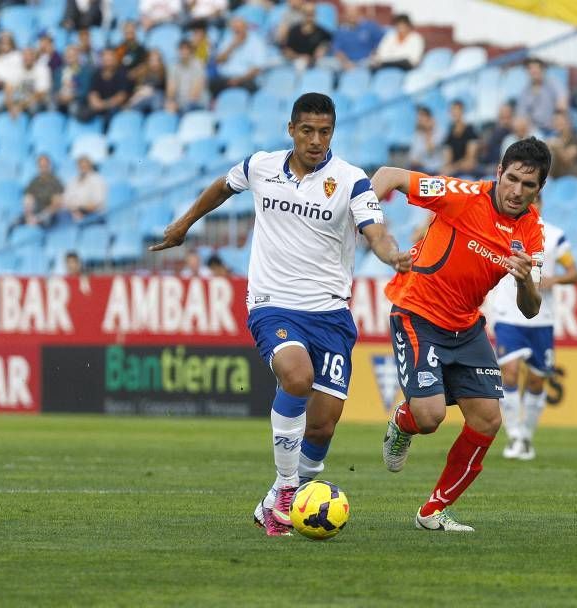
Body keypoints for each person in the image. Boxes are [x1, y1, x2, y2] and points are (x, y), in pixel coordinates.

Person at [149, 93, 412, 537]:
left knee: (323, 425)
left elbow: (375, 231)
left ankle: (275, 497)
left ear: (333, 132)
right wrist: (184, 224)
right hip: (272, 301)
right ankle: (289, 491)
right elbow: (222, 185)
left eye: (324, 132)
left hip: (330, 311)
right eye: (307, 130)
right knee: (296, 376)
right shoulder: (261, 166)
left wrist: (391, 255)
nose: (315, 140)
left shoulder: (351, 181)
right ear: (291, 129)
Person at [371, 137, 549, 531]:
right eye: (513, 179)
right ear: (499, 173)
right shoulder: (460, 194)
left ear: (540, 189)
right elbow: (390, 175)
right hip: (417, 312)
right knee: (430, 417)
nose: (517, 191)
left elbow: (531, 308)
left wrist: (524, 282)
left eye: (529, 185)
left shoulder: (532, 232)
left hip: (466, 327)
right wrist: (369, 225)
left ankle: (433, 512)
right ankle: (405, 421)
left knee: (488, 421)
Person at [493, 193, 577, 461]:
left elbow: (575, 273)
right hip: (507, 314)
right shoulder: (503, 230)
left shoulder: (554, 236)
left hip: (541, 318)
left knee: (536, 380)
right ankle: (514, 435)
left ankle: (527, 437)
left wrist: (553, 280)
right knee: (508, 373)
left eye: (535, 201)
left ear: (540, 204)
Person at [516, 58, 567, 133]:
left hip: (553, 128)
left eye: (536, 68)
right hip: (535, 130)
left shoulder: (552, 83)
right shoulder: (525, 91)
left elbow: (562, 102)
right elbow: (521, 113)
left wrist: (558, 116)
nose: (533, 71)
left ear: (542, 69)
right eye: (530, 68)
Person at [329, 5, 384, 71]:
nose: (352, 17)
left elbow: (382, 43)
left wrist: (374, 54)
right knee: (324, 62)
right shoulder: (340, 31)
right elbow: (337, 50)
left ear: (359, 14)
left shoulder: (371, 27)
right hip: (346, 62)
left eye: (354, 14)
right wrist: (345, 62)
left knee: (372, 63)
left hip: (366, 61)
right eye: (349, 15)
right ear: (345, 16)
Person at [282, 2, 332, 71]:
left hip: (315, 64)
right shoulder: (294, 30)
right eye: (306, 13)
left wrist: (325, 47)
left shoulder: (322, 32)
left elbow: (329, 42)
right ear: (302, 14)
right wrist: (300, 57)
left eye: (312, 13)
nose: (309, 16)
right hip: (295, 62)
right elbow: (287, 50)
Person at [85, 47, 130, 124]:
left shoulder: (122, 73)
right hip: (99, 105)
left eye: (110, 57)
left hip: (114, 106)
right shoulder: (96, 74)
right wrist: (96, 103)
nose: (108, 59)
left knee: (111, 114)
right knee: (85, 112)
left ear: (115, 58)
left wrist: (104, 105)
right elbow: (92, 93)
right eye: (105, 57)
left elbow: (121, 96)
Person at [165, 39, 209, 113]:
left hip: (197, 102)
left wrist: (178, 106)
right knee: (167, 107)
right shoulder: (174, 66)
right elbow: (171, 89)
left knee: (187, 107)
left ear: (191, 51)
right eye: (181, 49)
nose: (184, 52)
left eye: (186, 49)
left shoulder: (198, 65)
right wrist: (171, 101)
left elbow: (196, 93)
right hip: (180, 102)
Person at [59, 155, 107, 223]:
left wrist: (79, 207)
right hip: (73, 211)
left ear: (90, 166)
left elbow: (97, 203)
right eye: (80, 166)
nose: (83, 168)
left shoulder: (97, 179)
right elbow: (65, 198)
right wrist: (71, 207)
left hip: (92, 213)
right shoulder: (73, 180)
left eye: (85, 166)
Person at [22, 154, 64, 227]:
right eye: (41, 165)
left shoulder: (56, 181)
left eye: (45, 165)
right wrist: (29, 215)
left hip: (49, 214)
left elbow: (57, 203)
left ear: (49, 165)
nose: (43, 167)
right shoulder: (34, 181)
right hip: (35, 212)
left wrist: (41, 217)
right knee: (16, 223)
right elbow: (28, 198)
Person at [441, 99, 479, 177]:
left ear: (462, 111)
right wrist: (448, 168)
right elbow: (447, 160)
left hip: (467, 172)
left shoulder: (470, 131)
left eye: (457, 109)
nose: (454, 112)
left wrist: (453, 168)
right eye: (452, 110)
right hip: (454, 171)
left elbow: (470, 160)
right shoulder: (449, 134)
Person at [408, 105, 445, 174]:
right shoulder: (417, 135)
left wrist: (428, 131)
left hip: (436, 169)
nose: (419, 120)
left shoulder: (439, 131)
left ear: (429, 118)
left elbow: (430, 149)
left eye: (421, 116)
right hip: (421, 168)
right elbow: (412, 158)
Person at [546, 110, 577, 178]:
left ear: (568, 122)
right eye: (555, 121)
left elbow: (567, 159)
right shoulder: (554, 138)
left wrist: (557, 146)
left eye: (560, 120)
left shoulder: (575, 139)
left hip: (571, 180)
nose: (557, 123)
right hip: (555, 179)